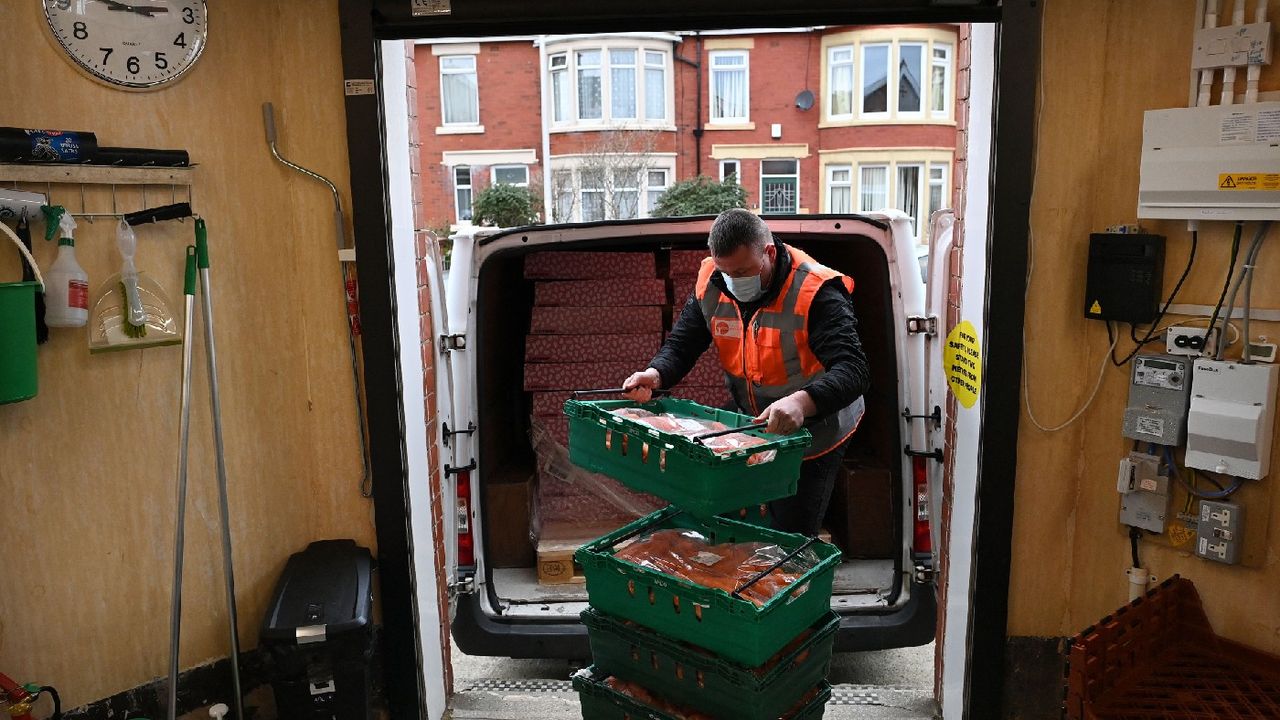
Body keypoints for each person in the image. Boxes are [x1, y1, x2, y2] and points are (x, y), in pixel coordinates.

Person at [623, 209, 870, 536]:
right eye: (726, 272)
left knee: (789, 531)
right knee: (728, 511)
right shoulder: (712, 280)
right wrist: (656, 374)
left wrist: (800, 404)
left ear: (768, 253)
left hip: (815, 428)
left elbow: (853, 369)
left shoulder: (816, 290)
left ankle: (789, 580)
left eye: (742, 271)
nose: (734, 281)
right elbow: (684, 343)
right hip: (752, 420)